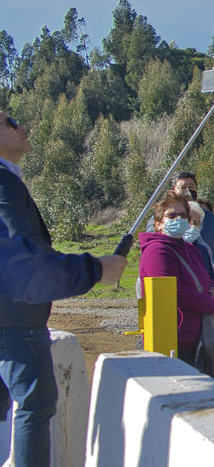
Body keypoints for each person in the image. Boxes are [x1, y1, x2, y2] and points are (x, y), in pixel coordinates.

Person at [0, 110, 127, 466]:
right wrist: (95, 269)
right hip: (15, 319)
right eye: (9, 122)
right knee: (35, 405)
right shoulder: (3, 183)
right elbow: (23, 263)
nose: (22, 126)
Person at [139, 192, 214, 376]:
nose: (179, 219)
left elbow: (204, 278)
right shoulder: (157, 251)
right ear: (158, 223)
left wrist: (213, 291)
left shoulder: (190, 249)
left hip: (197, 338)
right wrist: (212, 305)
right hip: (174, 340)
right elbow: (173, 292)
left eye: (183, 215)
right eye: (171, 215)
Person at [145, 171, 214, 254]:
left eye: (191, 187)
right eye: (182, 187)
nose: (188, 191)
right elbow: (155, 245)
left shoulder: (209, 217)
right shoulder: (162, 218)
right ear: (172, 193)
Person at [185, 200, 214, 288]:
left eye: (197, 223)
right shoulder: (169, 249)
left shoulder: (203, 249)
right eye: (189, 222)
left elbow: (212, 279)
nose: (193, 227)